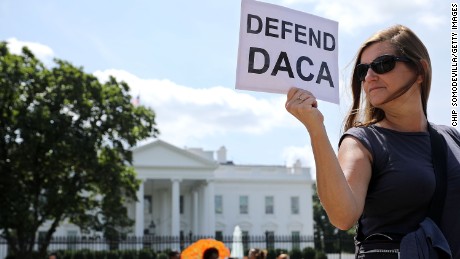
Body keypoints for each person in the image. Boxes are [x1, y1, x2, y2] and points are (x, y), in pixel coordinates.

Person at [285, 24, 460, 258]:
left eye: (383, 64)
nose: (369, 76)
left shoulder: (452, 137)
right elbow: (342, 216)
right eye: (362, 70)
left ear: (420, 70)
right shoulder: (362, 141)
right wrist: (315, 128)